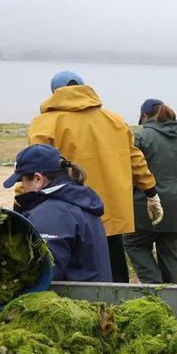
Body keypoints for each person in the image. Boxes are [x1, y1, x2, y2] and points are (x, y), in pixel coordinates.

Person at [27, 70, 160, 283]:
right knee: (116, 275)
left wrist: (20, 205)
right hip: (111, 212)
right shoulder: (115, 121)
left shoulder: (45, 123)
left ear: (54, 92)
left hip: (67, 215)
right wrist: (151, 191)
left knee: (73, 274)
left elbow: (33, 167)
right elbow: (135, 158)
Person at [3, 144, 112, 282]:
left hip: (74, 299)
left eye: (23, 181)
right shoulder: (79, 201)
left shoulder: (50, 214)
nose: (23, 188)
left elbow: (42, 275)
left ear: (38, 179)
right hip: (96, 296)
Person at [123, 100, 177, 284]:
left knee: (134, 244)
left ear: (144, 116)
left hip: (145, 208)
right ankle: (171, 297)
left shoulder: (141, 137)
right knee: (170, 258)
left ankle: (154, 287)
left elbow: (129, 173)